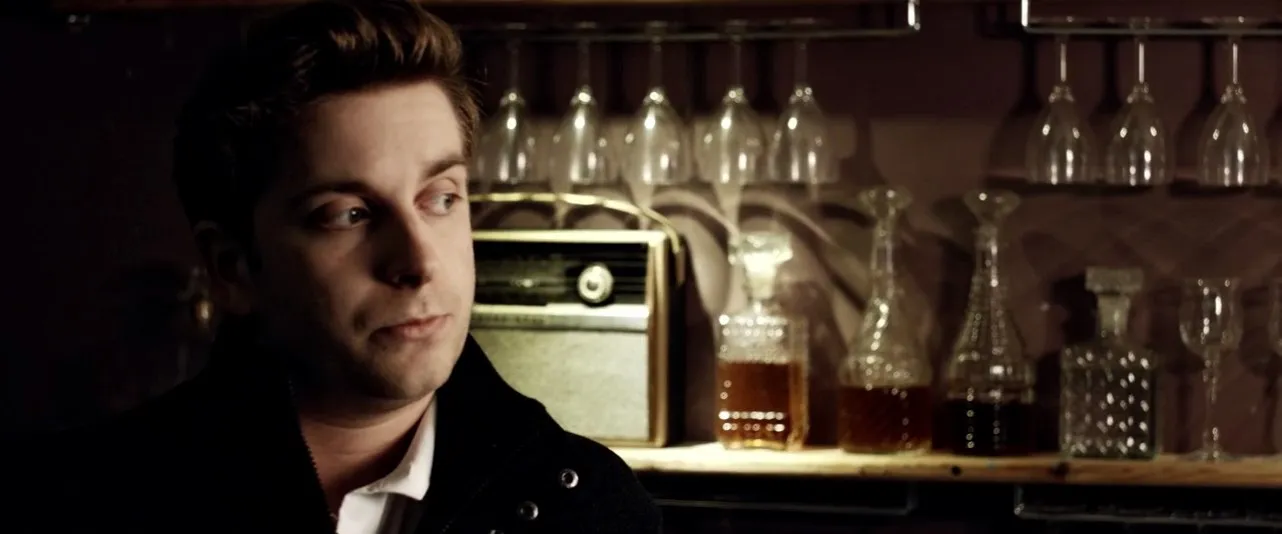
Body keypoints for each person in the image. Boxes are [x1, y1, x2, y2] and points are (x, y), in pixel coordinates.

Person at [5, 1, 661, 532]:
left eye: (440, 198)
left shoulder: (593, 509)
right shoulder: (73, 503)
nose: (418, 262)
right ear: (234, 268)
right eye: (348, 214)